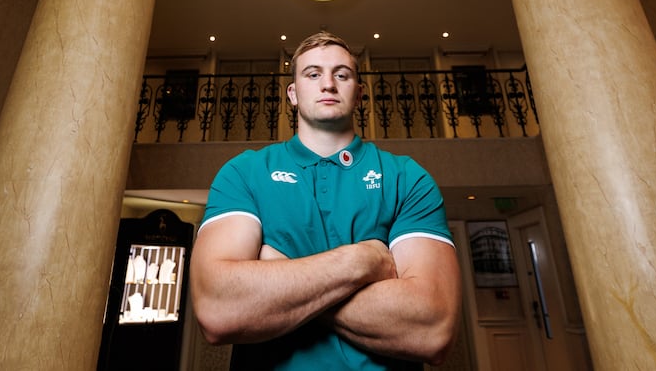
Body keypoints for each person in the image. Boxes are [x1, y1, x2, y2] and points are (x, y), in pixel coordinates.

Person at [190, 32, 461, 370]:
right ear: (293, 93)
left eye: (342, 75)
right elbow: (218, 309)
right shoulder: (244, 173)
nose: (328, 84)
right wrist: (362, 262)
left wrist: (279, 273)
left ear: (359, 94)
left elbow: (433, 329)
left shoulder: (407, 178)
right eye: (313, 74)